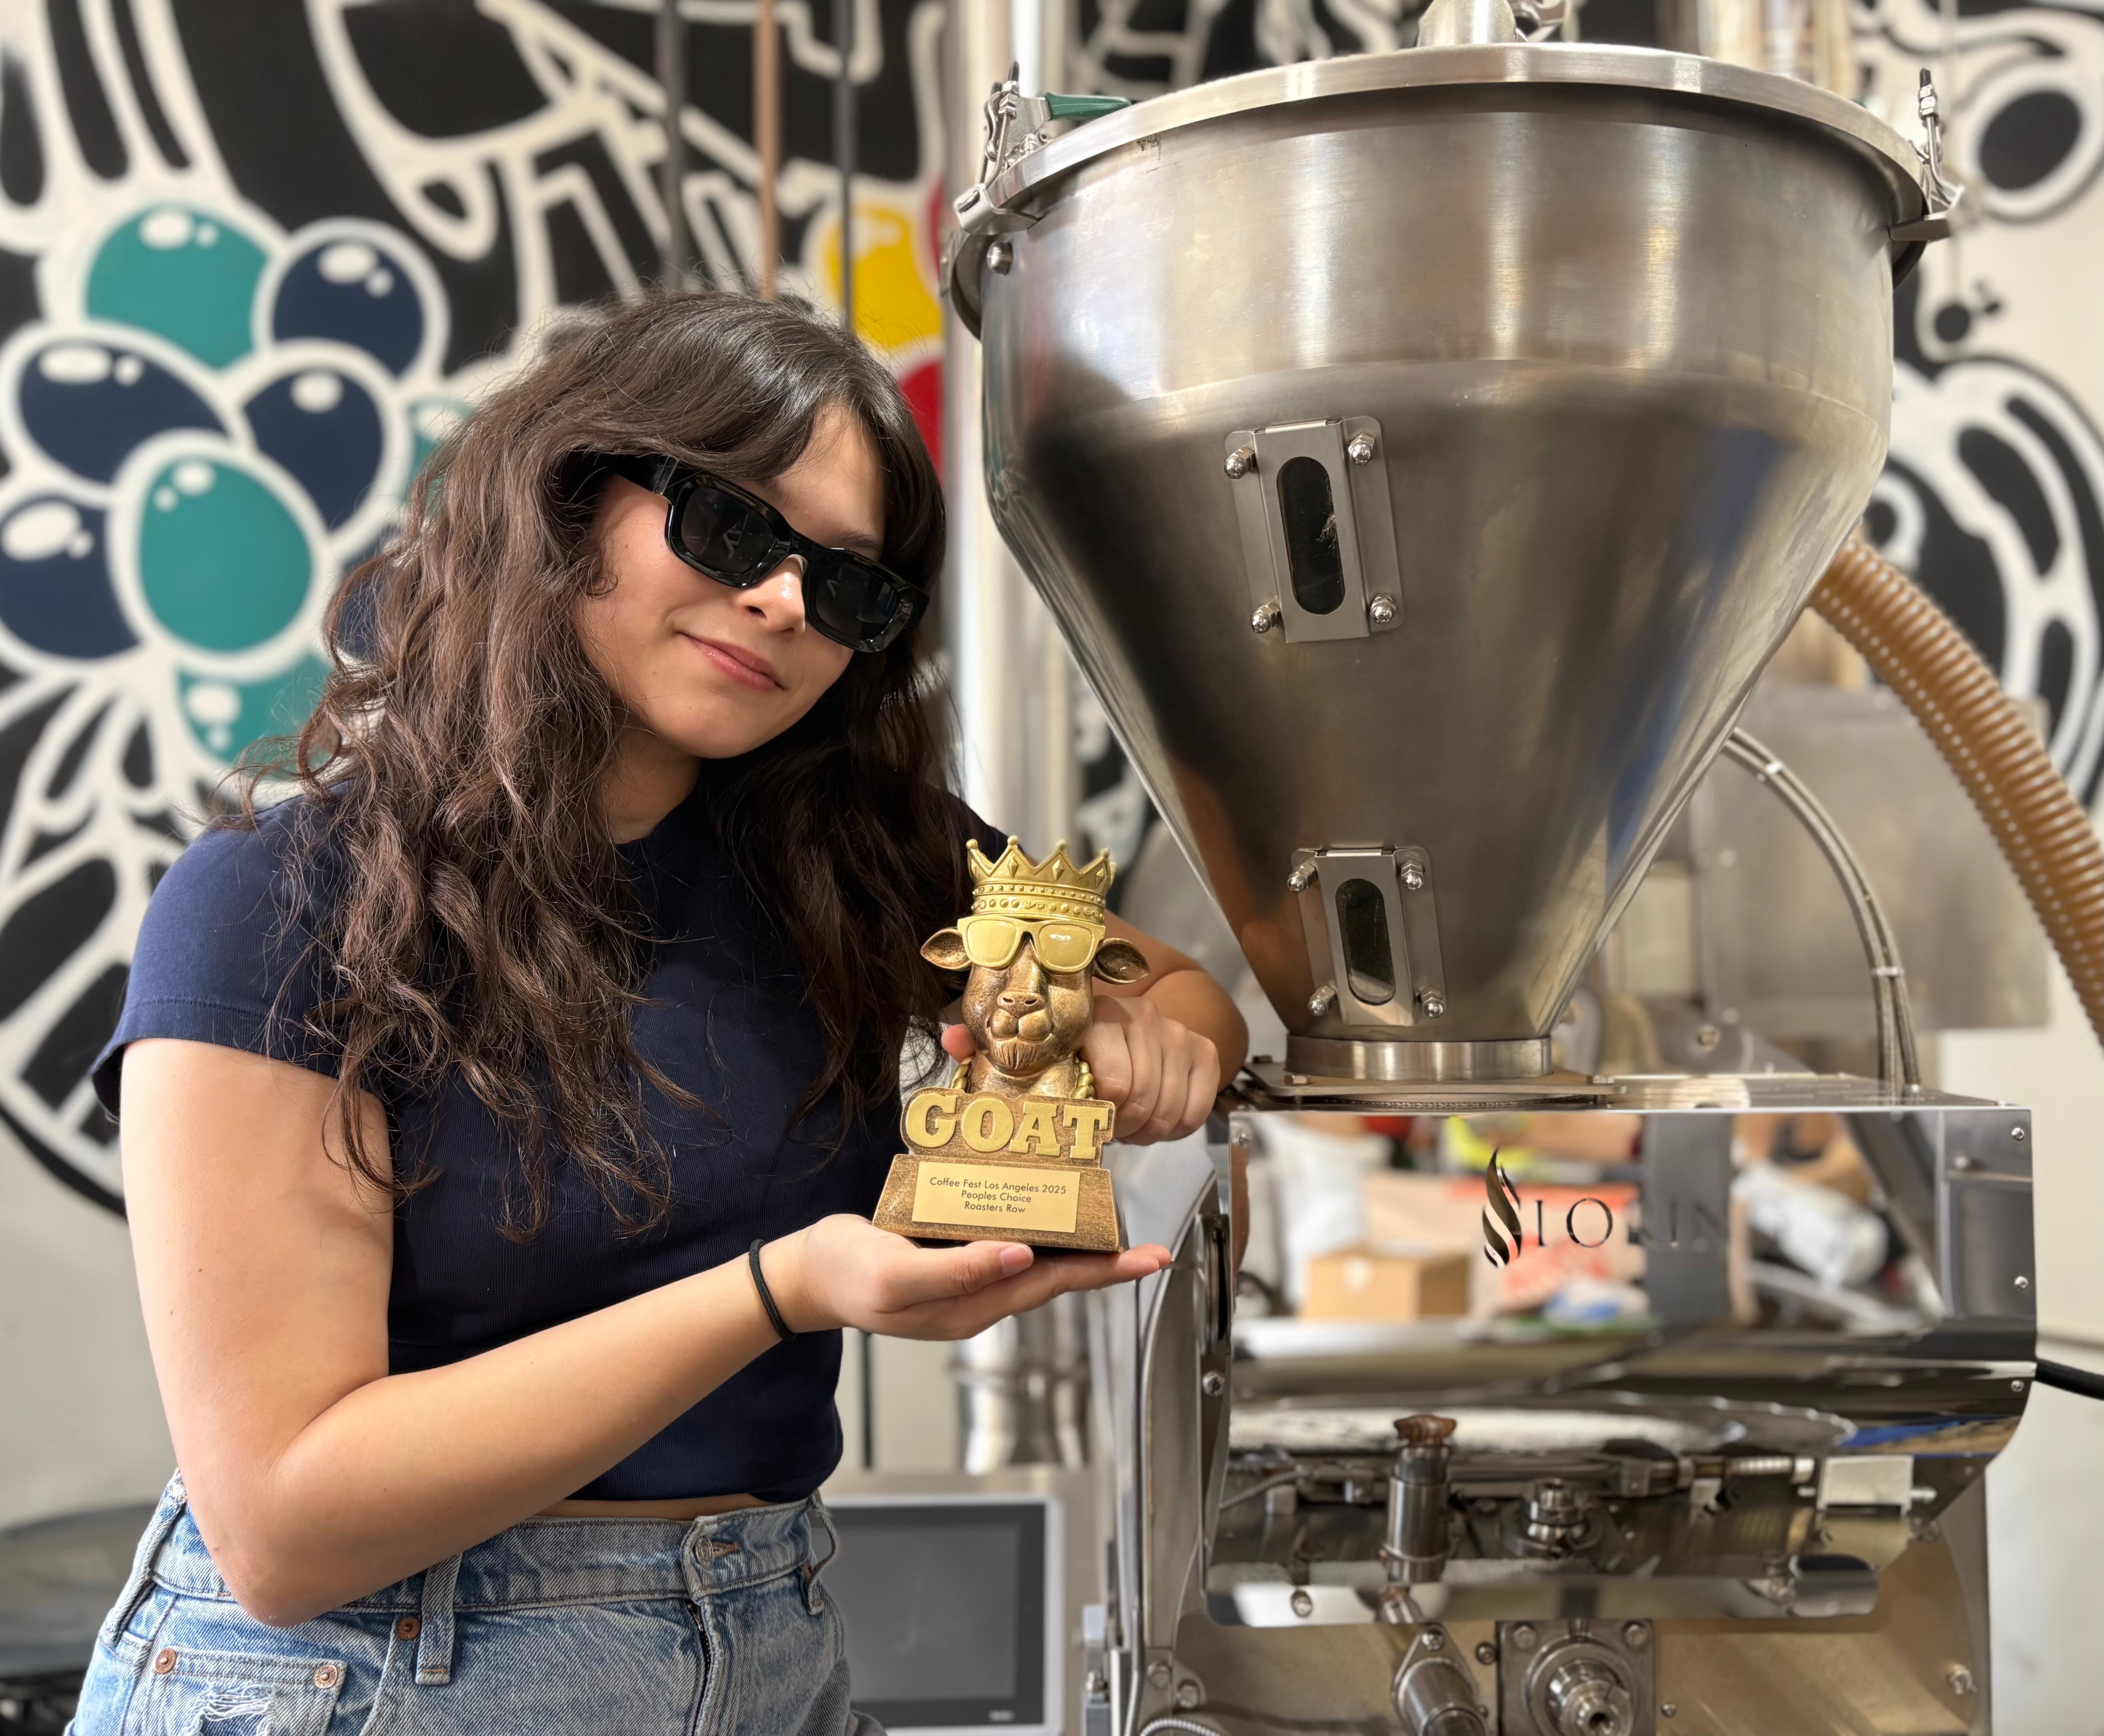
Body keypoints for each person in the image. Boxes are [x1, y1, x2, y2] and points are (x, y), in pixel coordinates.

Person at [71, 292, 1246, 1736]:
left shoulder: (846, 857)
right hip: (374, 1675)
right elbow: (284, 1525)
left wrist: (1143, 1041)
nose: (787, 603)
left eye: (848, 585)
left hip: (769, 1646)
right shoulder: (285, 899)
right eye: (737, 528)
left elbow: (1181, 987)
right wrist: (785, 1288)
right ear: (568, 498)